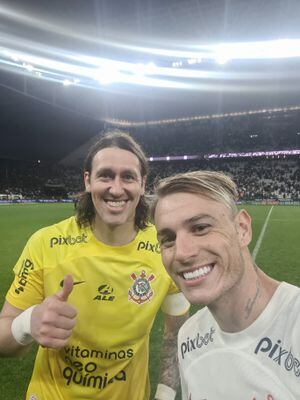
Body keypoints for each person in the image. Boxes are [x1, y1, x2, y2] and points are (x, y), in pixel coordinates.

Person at [0, 130, 190, 400]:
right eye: (106, 175)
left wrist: (166, 393)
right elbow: (4, 340)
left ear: (142, 183)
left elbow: (177, 331)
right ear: (88, 180)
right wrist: (28, 323)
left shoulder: (165, 246)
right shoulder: (45, 243)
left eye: (128, 177)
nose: (116, 188)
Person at [152, 170, 300, 400]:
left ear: (242, 228)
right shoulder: (188, 336)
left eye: (200, 227)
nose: (181, 253)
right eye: (168, 239)